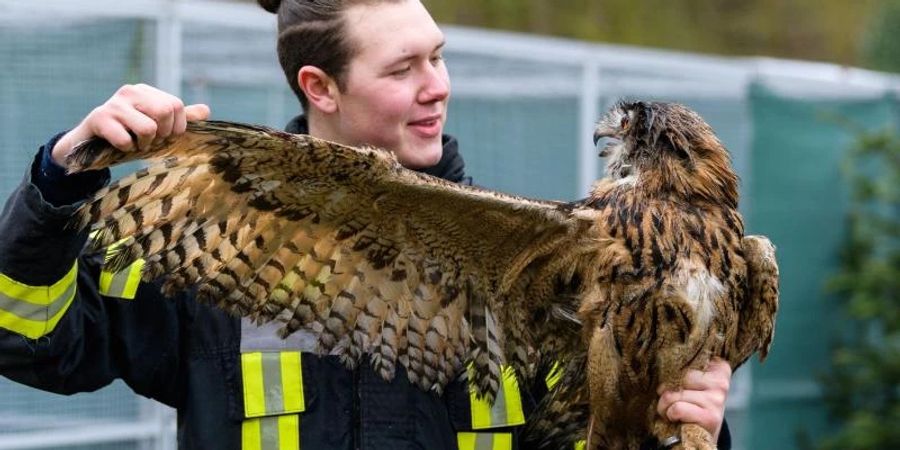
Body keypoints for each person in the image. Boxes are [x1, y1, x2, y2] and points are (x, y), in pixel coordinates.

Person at [0, 0, 733, 449]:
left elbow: (597, 437)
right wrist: (65, 175)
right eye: (403, 68)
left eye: (439, 56)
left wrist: (680, 423)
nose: (437, 86)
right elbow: (31, 341)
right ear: (320, 86)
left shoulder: (529, 263)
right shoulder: (214, 235)